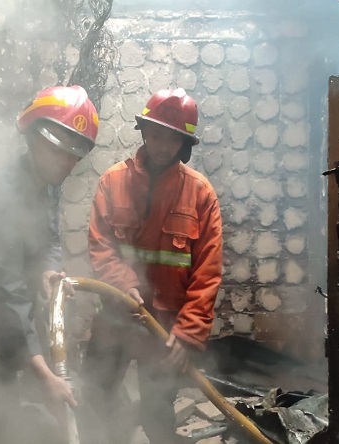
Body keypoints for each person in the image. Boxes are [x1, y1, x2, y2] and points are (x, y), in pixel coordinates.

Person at [0, 85, 99, 444]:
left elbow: (51, 239)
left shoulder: (47, 185)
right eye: (60, 150)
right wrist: (46, 376)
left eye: (75, 154)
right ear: (34, 137)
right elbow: (6, 298)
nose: (68, 162)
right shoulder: (2, 200)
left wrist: (47, 268)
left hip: (7, 320)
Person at [81, 88, 223, 443]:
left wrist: (190, 332)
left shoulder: (201, 195)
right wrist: (123, 284)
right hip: (116, 317)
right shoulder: (113, 182)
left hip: (166, 331)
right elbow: (101, 244)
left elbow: (208, 271)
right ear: (144, 131)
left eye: (171, 138)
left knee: (158, 410)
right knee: (96, 397)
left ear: (183, 144)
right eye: (155, 134)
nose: (160, 145)